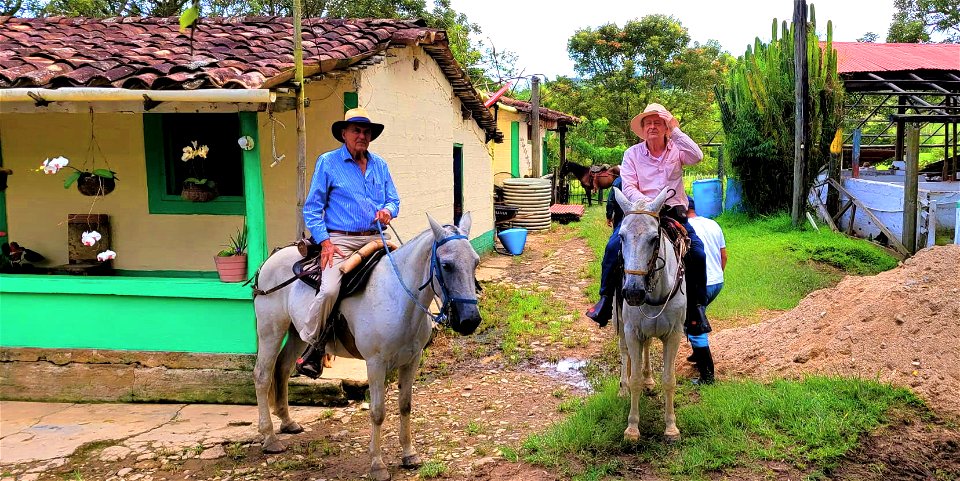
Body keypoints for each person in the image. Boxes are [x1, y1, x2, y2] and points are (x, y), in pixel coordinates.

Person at [585, 103, 710, 350]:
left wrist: (676, 131)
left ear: (666, 127)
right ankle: (604, 301)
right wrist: (646, 204)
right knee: (613, 248)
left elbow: (697, 156)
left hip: (672, 212)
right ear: (642, 129)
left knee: (697, 252)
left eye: (658, 122)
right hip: (639, 211)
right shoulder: (632, 154)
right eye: (648, 123)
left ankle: (696, 310)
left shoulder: (677, 150)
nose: (652, 127)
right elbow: (628, 185)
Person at [294, 107, 401, 379]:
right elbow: (312, 208)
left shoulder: (380, 165)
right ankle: (313, 346)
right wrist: (325, 242)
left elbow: (394, 200)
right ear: (344, 133)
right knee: (330, 290)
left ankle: (409, 334)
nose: (362, 136)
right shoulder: (328, 163)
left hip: (376, 238)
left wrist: (387, 211)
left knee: (407, 275)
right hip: (341, 241)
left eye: (366, 132)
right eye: (356, 130)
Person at [685, 196, 726, 384]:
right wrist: (716, 276)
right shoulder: (713, 224)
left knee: (695, 325)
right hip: (717, 282)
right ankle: (696, 353)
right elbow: (723, 256)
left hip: (698, 284)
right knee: (695, 316)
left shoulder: (682, 228)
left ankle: (707, 377)